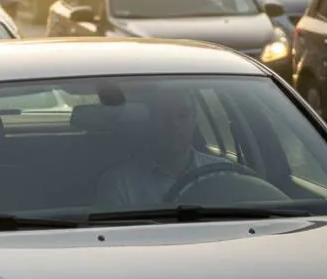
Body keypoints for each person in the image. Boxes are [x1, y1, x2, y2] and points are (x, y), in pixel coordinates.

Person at [94, 89, 227, 209]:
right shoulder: (120, 183)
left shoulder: (223, 173)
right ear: (150, 121)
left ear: (194, 121)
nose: (174, 125)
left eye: (183, 115)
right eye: (164, 115)